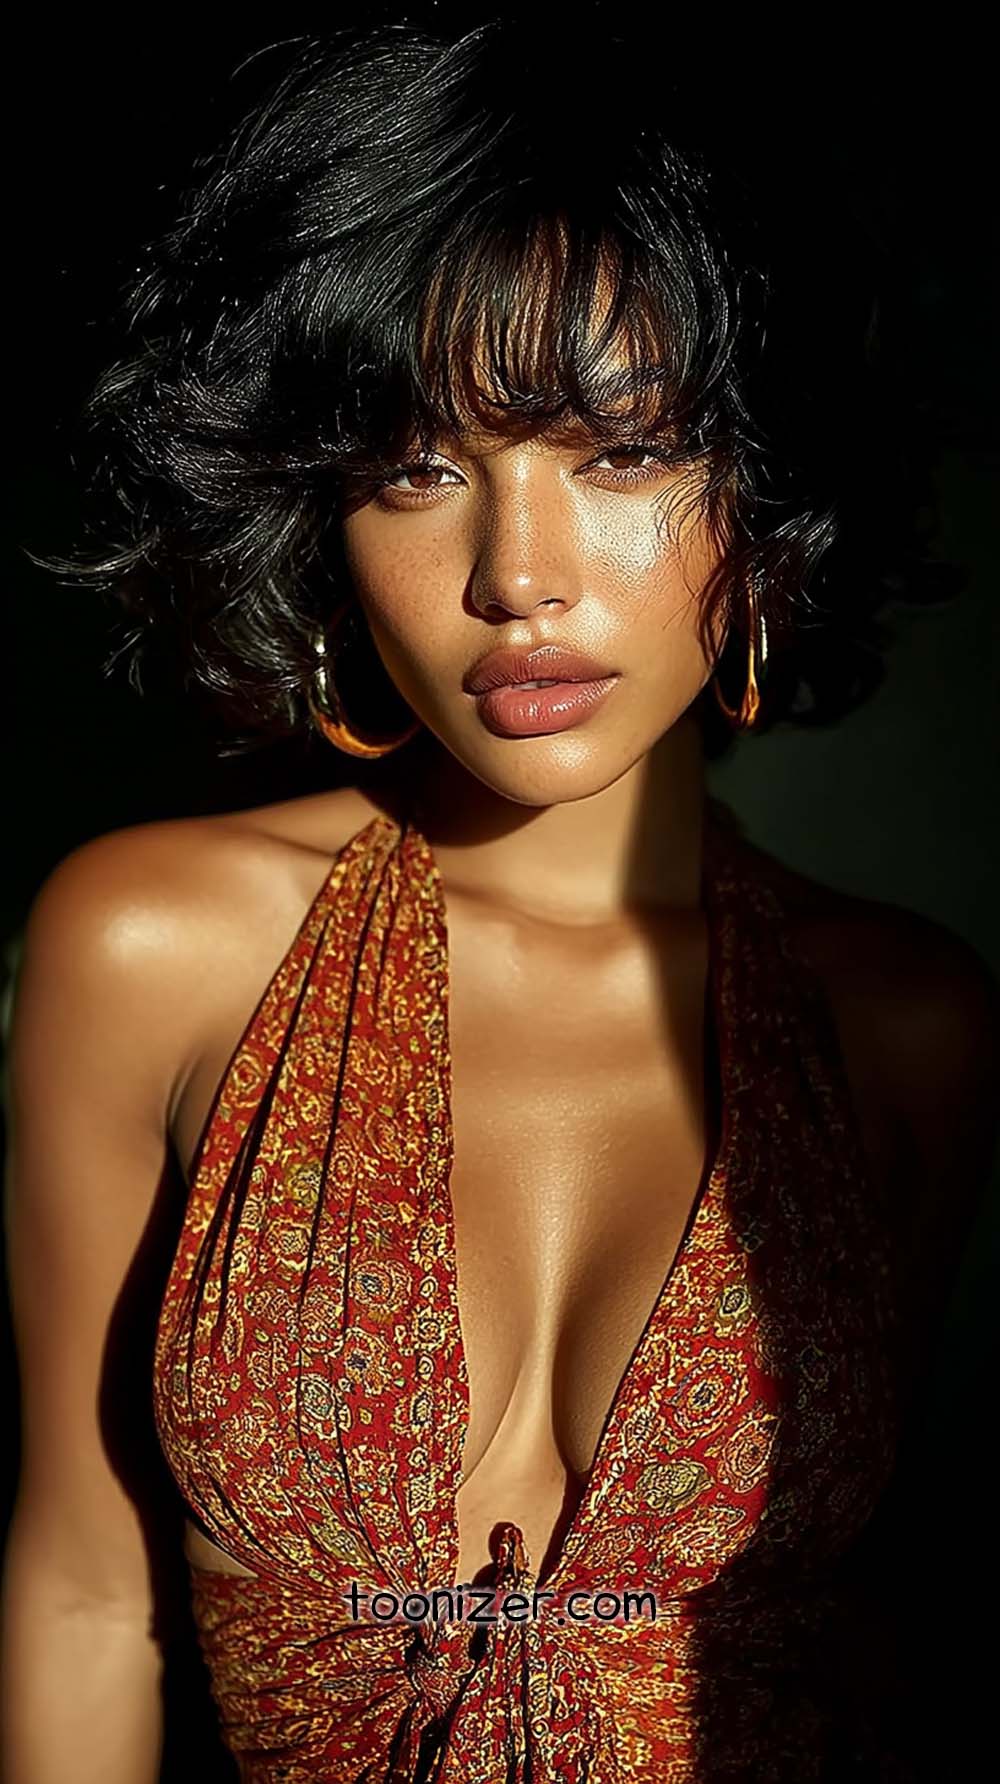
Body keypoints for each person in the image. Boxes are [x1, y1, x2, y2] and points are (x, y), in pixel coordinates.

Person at [3, 19, 997, 1784]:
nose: (515, 576)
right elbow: (88, 1598)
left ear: (761, 489)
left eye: (621, 453)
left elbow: (873, 1634)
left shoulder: (901, 1026)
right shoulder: (156, 945)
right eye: (418, 465)